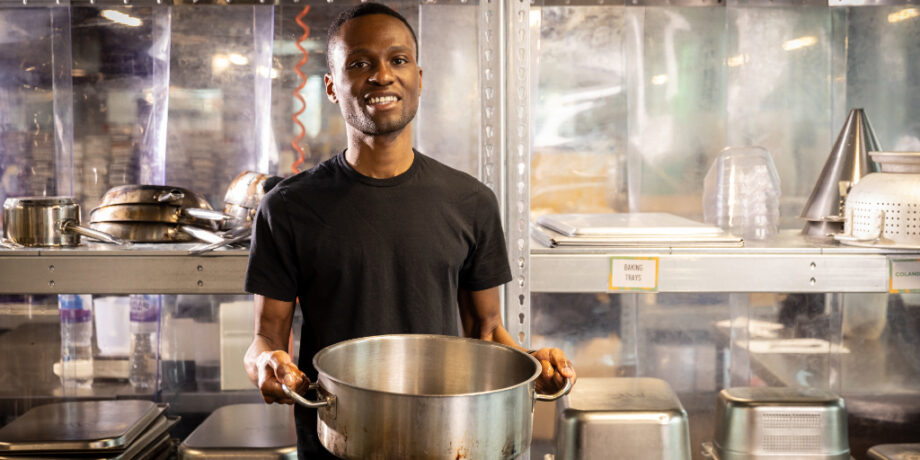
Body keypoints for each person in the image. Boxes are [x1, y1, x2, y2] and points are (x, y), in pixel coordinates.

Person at [243, 3, 576, 458]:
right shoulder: (287, 207)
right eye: (359, 63)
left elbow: (488, 329)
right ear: (331, 87)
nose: (382, 76)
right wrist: (265, 363)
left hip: (448, 440)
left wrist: (531, 366)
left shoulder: (471, 202)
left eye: (398, 60)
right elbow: (267, 335)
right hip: (337, 439)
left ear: (419, 77)